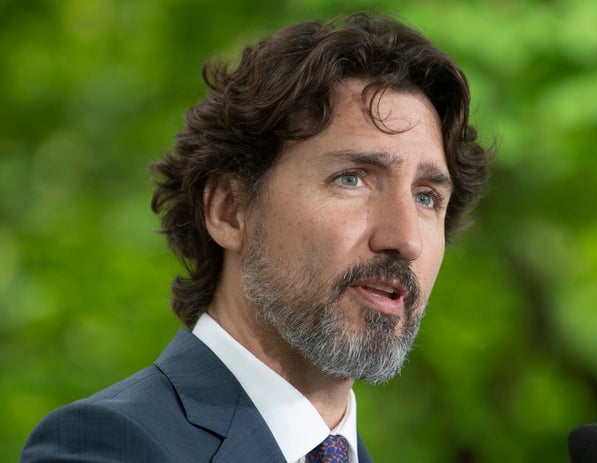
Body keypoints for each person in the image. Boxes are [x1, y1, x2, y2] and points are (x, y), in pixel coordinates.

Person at [20, 12, 492, 463]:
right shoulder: (107, 447)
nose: (405, 238)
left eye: (427, 197)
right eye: (353, 178)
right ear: (228, 209)